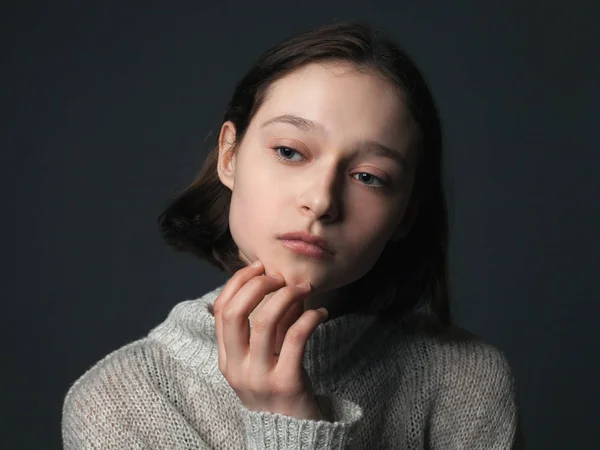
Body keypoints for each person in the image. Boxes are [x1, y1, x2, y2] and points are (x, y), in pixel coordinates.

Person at [61, 21, 525, 449]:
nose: (321, 201)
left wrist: (287, 417)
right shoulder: (118, 401)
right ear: (230, 156)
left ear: (405, 214)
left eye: (369, 176)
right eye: (289, 151)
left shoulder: (466, 379)